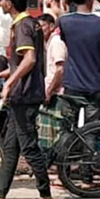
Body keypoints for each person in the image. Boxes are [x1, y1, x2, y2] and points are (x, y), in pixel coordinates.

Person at [0, 0, 55, 199]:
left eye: (1, 0)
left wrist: (10, 82)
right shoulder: (30, 23)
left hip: (25, 94)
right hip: (23, 93)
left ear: (9, 2)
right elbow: (23, 62)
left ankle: (46, 196)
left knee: (29, 147)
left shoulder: (22, 25)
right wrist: (6, 73)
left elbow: (29, 59)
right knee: (11, 147)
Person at [57, 0, 100, 184]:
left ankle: (64, 173)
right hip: (96, 83)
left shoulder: (65, 21)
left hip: (72, 83)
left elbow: (65, 42)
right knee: (91, 132)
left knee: (66, 129)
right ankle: (87, 177)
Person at [38, 13, 66, 150]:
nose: (39, 29)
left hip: (58, 93)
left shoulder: (56, 42)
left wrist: (49, 91)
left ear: (50, 26)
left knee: (56, 131)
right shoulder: (47, 43)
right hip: (52, 90)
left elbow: (60, 70)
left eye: (42, 26)